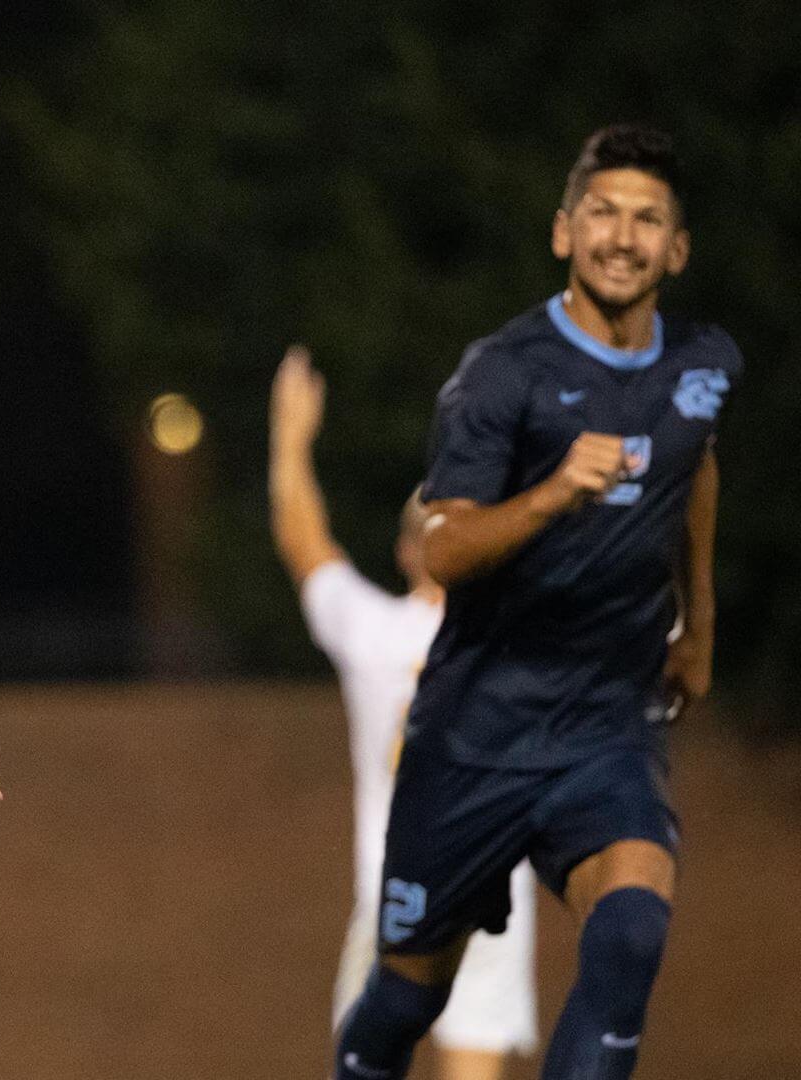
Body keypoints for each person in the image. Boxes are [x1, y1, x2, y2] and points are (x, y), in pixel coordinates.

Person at [332, 125, 739, 1080]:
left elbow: (696, 465)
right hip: (475, 734)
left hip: (607, 724)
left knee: (633, 927)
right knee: (403, 1004)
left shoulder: (703, 364)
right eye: (603, 213)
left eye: (648, 220)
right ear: (564, 232)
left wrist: (700, 625)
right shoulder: (499, 374)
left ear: (676, 249)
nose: (623, 237)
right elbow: (442, 544)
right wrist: (554, 493)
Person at [270, 345, 536, 1080]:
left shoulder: (376, 632)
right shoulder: (513, 638)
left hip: (397, 882)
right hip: (491, 882)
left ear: (405, 550)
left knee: (368, 1061)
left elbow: (303, 540)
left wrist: (289, 438)